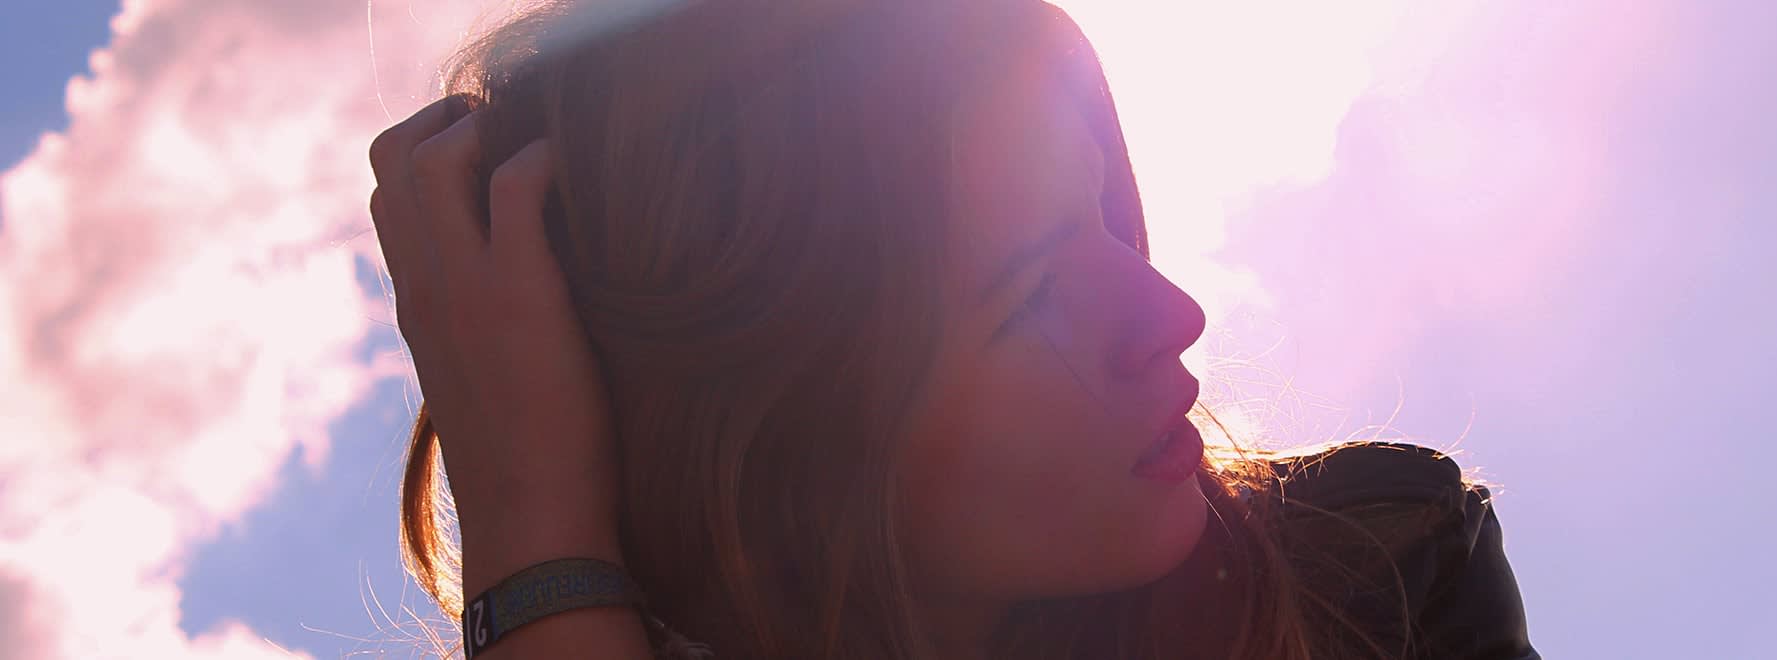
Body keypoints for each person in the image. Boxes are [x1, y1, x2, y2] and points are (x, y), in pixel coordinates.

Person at [365, 0, 1538, 658]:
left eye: (1103, 222)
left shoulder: (1383, 580)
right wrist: (534, 537)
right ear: (773, 447)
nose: (1166, 316)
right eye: (1026, 299)